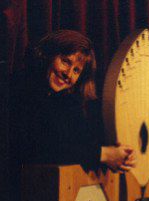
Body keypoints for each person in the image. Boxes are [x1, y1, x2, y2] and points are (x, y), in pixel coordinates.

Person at [10, 29, 136, 172]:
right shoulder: (18, 88)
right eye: (65, 61)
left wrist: (118, 157)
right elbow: (42, 148)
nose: (68, 74)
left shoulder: (66, 101)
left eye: (76, 70)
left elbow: (83, 142)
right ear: (47, 55)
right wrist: (105, 154)